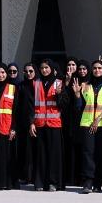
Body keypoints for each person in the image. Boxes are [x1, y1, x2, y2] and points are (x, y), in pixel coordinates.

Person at [78, 59, 102, 194]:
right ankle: (88, 182)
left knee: (101, 154)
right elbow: (79, 106)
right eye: (94, 68)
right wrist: (77, 95)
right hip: (87, 123)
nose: (97, 70)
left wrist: (98, 119)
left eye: (99, 68)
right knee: (88, 153)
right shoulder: (84, 85)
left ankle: (98, 182)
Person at [29, 60, 64, 192]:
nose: (44, 70)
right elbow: (31, 105)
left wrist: (59, 94)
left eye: (46, 67)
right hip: (39, 124)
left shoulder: (59, 83)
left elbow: (64, 104)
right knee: (40, 154)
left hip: (54, 124)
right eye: (42, 68)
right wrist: (31, 122)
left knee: (54, 155)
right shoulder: (35, 83)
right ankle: (40, 182)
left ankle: (53, 182)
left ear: (52, 68)